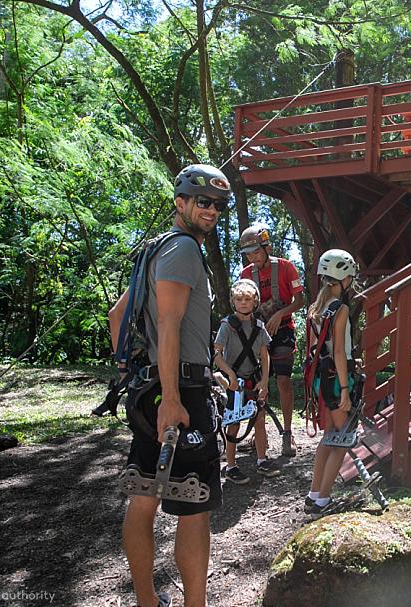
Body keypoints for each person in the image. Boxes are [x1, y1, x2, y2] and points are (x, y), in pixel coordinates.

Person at [109, 163, 230, 607]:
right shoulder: (183, 250)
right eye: (203, 201)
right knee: (193, 509)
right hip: (179, 397)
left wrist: (134, 377)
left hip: (153, 389)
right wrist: (174, 397)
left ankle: (148, 601)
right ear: (180, 202)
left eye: (219, 204)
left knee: (144, 494)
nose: (212, 210)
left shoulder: (157, 248)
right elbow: (168, 321)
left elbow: (117, 318)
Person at [238, 224, 305, 457]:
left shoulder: (286, 267)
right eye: (248, 254)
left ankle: (287, 434)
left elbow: (300, 300)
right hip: (256, 335)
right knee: (256, 384)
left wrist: (279, 314)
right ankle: (260, 435)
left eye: (256, 252)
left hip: (283, 330)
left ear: (266, 246)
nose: (252, 258)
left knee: (283, 381)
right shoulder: (246, 274)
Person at [303, 249, 358, 517]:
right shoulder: (341, 308)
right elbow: (338, 351)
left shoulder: (315, 309)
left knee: (329, 436)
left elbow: (315, 349)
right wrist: (345, 389)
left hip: (320, 378)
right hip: (336, 377)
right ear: (345, 278)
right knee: (342, 438)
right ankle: (322, 500)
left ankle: (314, 494)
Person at [212, 278, 280, 483]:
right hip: (234, 383)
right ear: (233, 301)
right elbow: (216, 354)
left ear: (255, 302)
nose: (243, 303)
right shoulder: (227, 326)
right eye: (239, 299)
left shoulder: (259, 327)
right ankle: (231, 465)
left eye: (247, 299)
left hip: (254, 381)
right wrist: (230, 376)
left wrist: (265, 381)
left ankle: (261, 460)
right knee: (233, 424)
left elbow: (264, 354)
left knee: (259, 420)